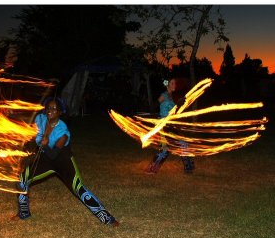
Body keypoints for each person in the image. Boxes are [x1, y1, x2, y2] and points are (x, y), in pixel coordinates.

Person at [13, 97, 119, 226]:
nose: (50, 111)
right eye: (48, 108)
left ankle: (107, 218)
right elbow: (30, 127)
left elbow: (54, 154)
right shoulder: (40, 119)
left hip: (63, 161)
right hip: (45, 158)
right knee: (22, 181)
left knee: (79, 189)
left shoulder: (63, 132)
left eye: (54, 109)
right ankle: (24, 213)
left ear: (60, 112)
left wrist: (45, 144)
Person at [145, 78, 195, 174]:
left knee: (183, 143)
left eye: (175, 83)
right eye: (172, 83)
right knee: (165, 149)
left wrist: (179, 103)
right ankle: (152, 168)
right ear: (167, 85)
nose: (174, 85)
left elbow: (172, 111)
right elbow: (154, 105)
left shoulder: (171, 97)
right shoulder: (164, 95)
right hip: (163, 124)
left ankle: (189, 167)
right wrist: (151, 115)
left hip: (170, 124)